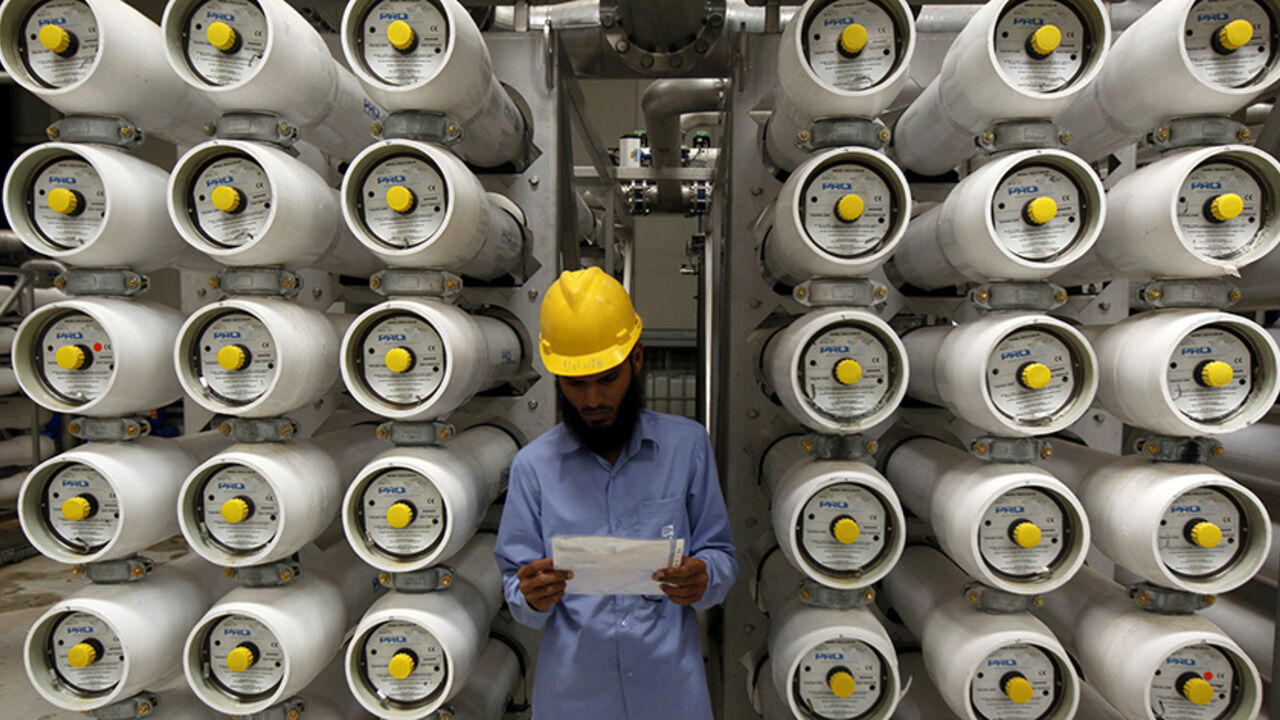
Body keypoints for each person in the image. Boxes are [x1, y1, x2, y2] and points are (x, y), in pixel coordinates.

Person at [494, 267, 738, 720]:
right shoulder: (534, 468)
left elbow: (721, 553)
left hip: (670, 693)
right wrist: (529, 595)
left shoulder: (687, 449)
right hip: (574, 698)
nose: (592, 400)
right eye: (575, 384)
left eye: (606, 378)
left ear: (637, 358)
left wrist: (705, 576)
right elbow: (515, 585)